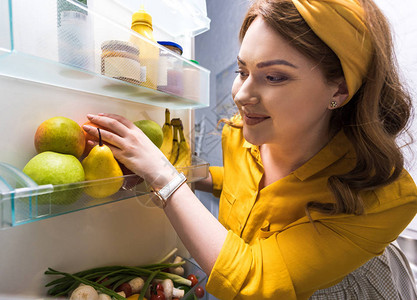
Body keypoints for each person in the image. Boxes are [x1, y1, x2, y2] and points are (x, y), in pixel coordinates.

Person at [82, 0, 417, 298]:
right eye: (242, 71)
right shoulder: (240, 135)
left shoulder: (385, 196)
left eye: (273, 77)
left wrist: (164, 176)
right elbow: (252, 187)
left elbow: (253, 283)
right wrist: (196, 177)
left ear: (339, 88)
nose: (241, 95)